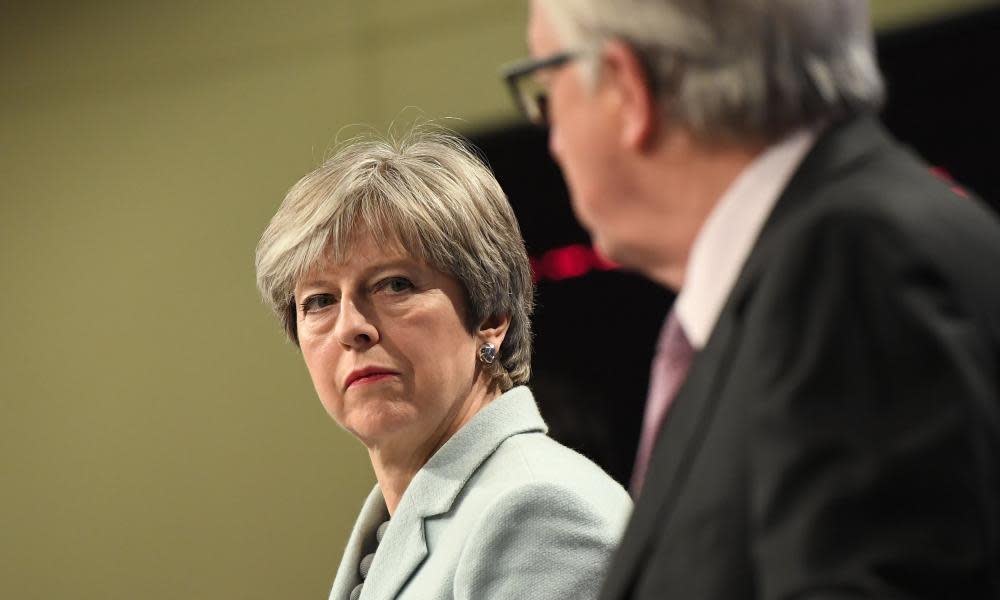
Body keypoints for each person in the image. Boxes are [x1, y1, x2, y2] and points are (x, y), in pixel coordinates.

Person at [502, 1, 1000, 598]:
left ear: (625, 88)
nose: (550, 135)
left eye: (547, 86)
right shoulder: (821, 266)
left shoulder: (847, 271)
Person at [254, 130, 632, 600]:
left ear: (490, 317)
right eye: (320, 301)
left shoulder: (534, 510)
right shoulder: (397, 521)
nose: (351, 326)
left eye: (394, 285)